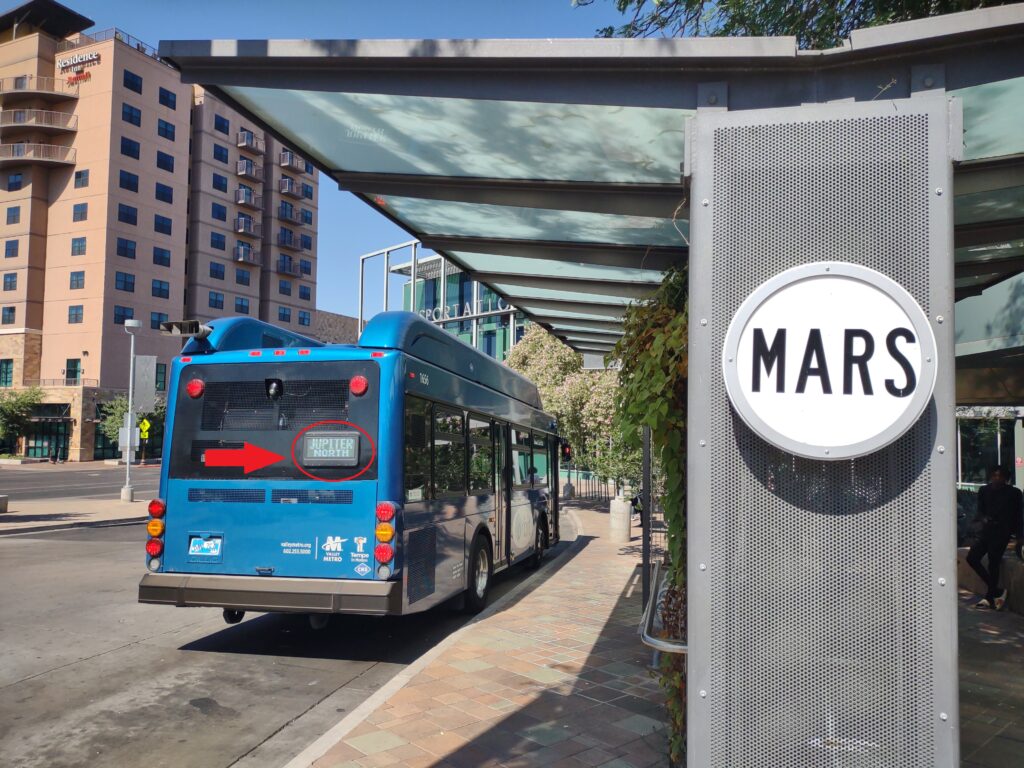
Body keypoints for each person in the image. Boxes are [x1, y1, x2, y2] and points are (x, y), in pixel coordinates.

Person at [966, 466, 1024, 610]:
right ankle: (997, 591)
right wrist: (983, 519)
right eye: (994, 475)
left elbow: (1019, 516)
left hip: (1003, 532)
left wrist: (1020, 536)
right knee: (972, 558)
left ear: (1006, 478)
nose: (996, 478)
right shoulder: (984, 490)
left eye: (1000, 476)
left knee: (994, 561)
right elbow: (980, 510)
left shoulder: (1014, 493)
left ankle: (989, 597)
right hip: (986, 531)